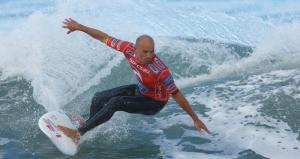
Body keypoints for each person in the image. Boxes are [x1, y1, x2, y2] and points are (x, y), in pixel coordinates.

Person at [58, 18, 210, 142]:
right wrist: (80, 27)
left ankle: (78, 133)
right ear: (136, 49)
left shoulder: (161, 71)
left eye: (152, 52)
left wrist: (195, 119)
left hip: (154, 103)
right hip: (140, 90)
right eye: (145, 52)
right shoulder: (128, 49)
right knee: (99, 97)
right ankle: (88, 123)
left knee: (114, 102)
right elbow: (104, 37)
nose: (150, 55)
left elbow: (177, 95)